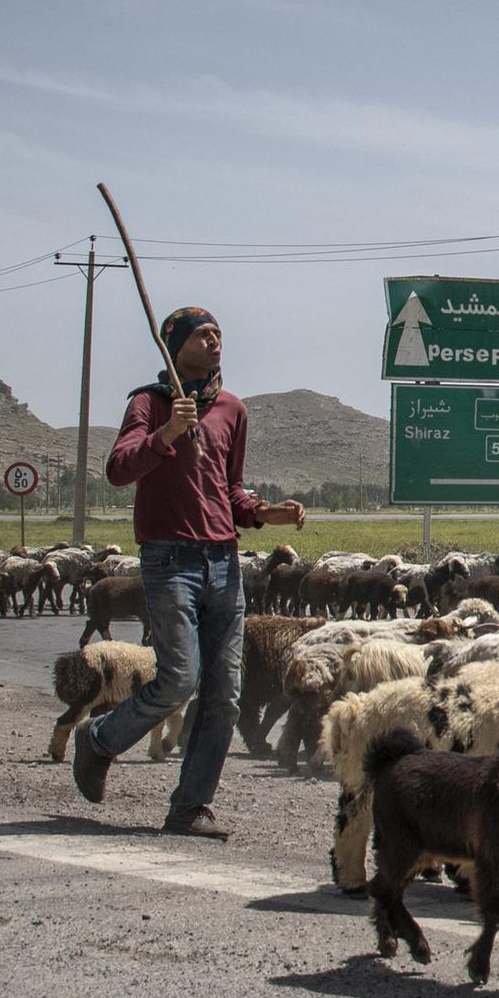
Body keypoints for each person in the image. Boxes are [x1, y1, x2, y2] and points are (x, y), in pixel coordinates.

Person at [71, 307, 305, 838]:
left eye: (219, 332)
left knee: (224, 694)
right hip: (169, 558)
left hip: (224, 562)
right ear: (174, 345)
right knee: (179, 678)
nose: (215, 340)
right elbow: (118, 468)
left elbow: (232, 489)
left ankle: (189, 808)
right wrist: (168, 432)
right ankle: (100, 739)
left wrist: (263, 513)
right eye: (203, 334)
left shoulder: (232, 411)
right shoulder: (149, 403)